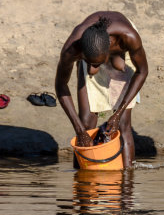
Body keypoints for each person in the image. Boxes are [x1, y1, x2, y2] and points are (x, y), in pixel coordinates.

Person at [55, 11, 148, 168]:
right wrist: (79, 131)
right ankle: (82, 182)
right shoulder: (72, 49)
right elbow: (60, 85)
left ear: (110, 49)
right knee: (85, 123)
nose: (92, 70)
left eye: (97, 64)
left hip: (119, 51)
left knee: (122, 124)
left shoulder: (128, 37)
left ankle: (127, 182)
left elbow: (142, 72)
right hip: (93, 49)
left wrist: (118, 113)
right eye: (87, 62)